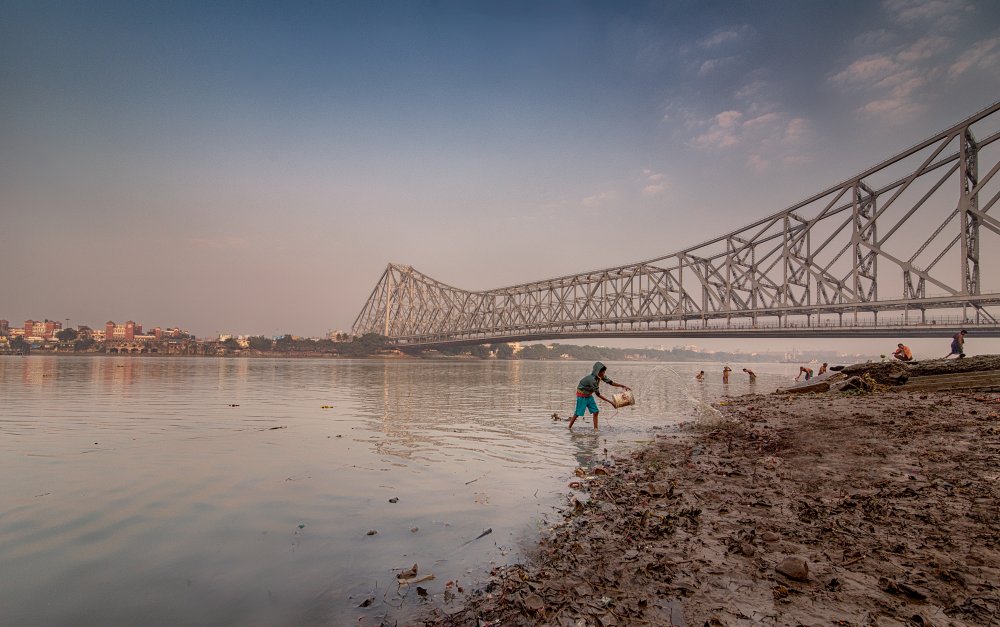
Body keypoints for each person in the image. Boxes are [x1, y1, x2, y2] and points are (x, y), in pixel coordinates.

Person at [567, 361, 631, 431]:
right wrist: (611, 402)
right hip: (582, 396)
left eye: (604, 372)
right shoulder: (592, 380)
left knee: (596, 411)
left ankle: (595, 429)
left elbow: (611, 382)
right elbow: (598, 394)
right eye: (602, 372)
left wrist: (623, 386)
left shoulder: (600, 376)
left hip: (588, 395)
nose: (604, 374)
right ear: (598, 372)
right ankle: (569, 428)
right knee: (577, 413)